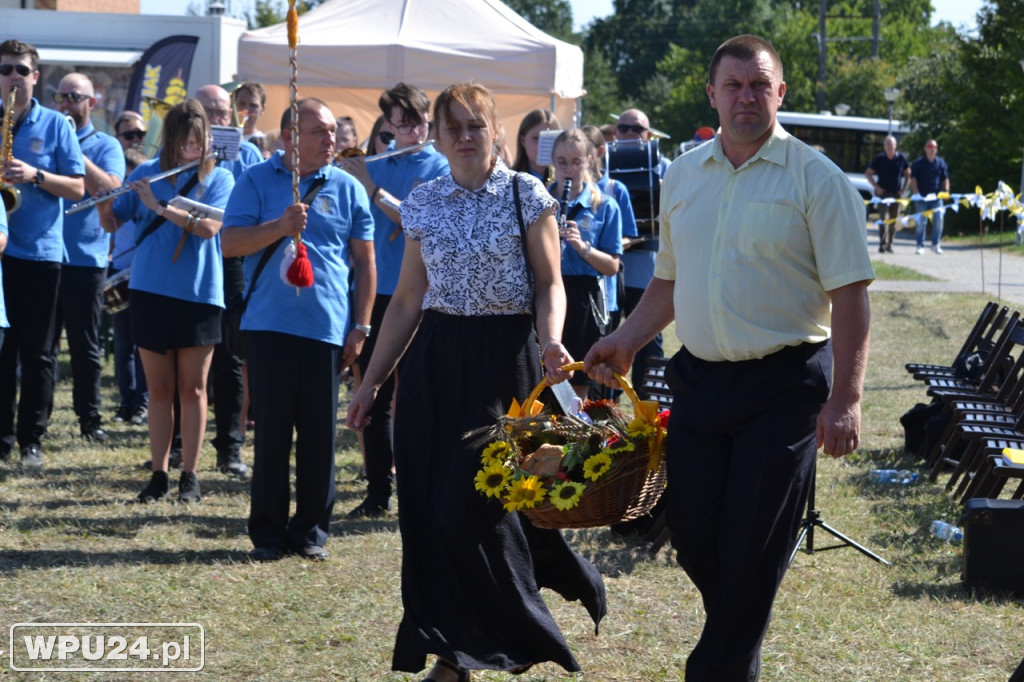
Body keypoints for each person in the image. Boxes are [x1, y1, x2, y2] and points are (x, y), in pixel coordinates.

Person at [584, 35, 873, 681]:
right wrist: (627, 338)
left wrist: (846, 400)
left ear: (781, 92)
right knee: (692, 536)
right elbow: (668, 281)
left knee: (752, 545)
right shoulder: (683, 173)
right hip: (701, 383)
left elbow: (851, 296)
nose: (746, 97)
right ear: (712, 94)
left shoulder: (817, 178)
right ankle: (738, 647)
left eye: (759, 85)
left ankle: (717, 669)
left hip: (785, 386)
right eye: (733, 85)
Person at [347, 80, 605, 682]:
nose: (464, 136)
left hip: (505, 361)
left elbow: (549, 281)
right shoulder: (425, 200)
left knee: (475, 508)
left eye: (475, 125)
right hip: (435, 363)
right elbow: (409, 300)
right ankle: (453, 652)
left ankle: (498, 635)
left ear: (494, 131)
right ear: (436, 135)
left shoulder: (526, 193)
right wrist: (372, 383)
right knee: (430, 512)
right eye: (452, 126)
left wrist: (550, 339)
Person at [222, 97, 376, 562]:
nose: (332, 139)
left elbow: (366, 264)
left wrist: (362, 325)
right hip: (268, 324)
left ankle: (311, 531)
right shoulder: (255, 180)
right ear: (290, 137)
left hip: (326, 328)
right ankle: (267, 533)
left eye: (333, 131)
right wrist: (278, 226)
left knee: (318, 435)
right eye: (320, 132)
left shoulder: (348, 187)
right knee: (271, 433)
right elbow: (229, 242)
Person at [98, 98, 235, 503]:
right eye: (185, 142)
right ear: (171, 141)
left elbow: (210, 228)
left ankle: (189, 475)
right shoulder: (146, 173)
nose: (193, 149)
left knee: (192, 389)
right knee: (158, 388)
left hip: (199, 292)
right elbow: (113, 218)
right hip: (150, 290)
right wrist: (106, 201)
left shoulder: (219, 178)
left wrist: (159, 207)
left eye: (200, 140)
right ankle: (158, 473)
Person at [337, 82, 449, 518]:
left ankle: (419, 484)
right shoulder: (376, 163)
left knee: (418, 391)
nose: (411, 132)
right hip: (376, 291)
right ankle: (377, 488)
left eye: (418, 122)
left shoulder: (439, 165)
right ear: (387, 124)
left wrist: (372, 189)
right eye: (400, 124)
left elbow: (419, 221)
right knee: (374, 392)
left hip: (419, 293)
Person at [0, 39, 86, 470]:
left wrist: (35, 174)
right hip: (0, 254)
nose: (13, 76)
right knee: (1, 351)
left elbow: (77, 187)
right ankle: (1, 437)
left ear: (36, 77)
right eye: (5, 69)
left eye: (21, 69)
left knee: (38, 352)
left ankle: (31, 440)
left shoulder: (56, 124)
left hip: (39, 253)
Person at [195, 83, 265, 479]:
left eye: (223, 112)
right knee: (185, 352)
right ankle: (177, 445)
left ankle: (230, 447)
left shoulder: (248, 152)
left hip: (232, 260)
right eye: (209, 111)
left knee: (231, 358)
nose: (218, 119)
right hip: (190, 258)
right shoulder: (181, 148)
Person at [52, 72, 126, 442]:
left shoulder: (106, 144)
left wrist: (73, 152)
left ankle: (89, 421)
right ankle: (35, 421)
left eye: (73, 96)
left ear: (91, 104)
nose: (65, 103)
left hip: (85, 260)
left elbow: (113, 189)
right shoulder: (44, 137)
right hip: (44, 257)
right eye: (60, 97)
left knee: (85, 347)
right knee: (40, 347)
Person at [550, 128, 622, 400]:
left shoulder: (605, 206)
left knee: (578, 384)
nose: (569, 169)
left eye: (576, 162)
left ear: (589, 161)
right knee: (547, 379)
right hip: (546, 292)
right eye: (562, 162)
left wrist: (583, 248)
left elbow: (612, 266)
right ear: (553, 163)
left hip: (584, 299)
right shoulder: (540, 202)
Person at [612, 107, 666, 390]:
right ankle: (603, 407)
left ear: (649, 134)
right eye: (624, 128)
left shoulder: (664, 166)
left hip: (647, 273)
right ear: (615, 132)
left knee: (649, 345)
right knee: (607, 339)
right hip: (609, 272)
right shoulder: (603, 163)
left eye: (638, 129)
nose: (631, 134)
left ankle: (650, 411)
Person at [109, 147, 149, 426]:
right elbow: (111, 233)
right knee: (123, 343)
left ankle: (143, 403)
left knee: (144, 345)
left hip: (147, 274)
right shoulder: (121, 201)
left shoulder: (151, 198)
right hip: (121, 274)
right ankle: (127, 401)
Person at [865, 135, 909, 253]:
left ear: (895, 145)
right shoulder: (879, 159)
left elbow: (908, 173)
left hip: (896, 194)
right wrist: (876, 187)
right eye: (887, 144)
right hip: (882, 194)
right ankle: (882, 244)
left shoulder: (900, 159)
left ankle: (890, 244)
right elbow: (868, 173)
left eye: (891, 143)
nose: (889, 146)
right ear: (884, 146)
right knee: (883, 220)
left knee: (893, 221)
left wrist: (904, 189)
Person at [910, 138, 950, 254]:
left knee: (939, 220)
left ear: (937, 150)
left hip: (937, 198)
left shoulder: (941, 163)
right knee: (921, 222)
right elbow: (913, 178)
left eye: (934, 147)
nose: (932, 149)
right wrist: (916, 192)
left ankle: (935, 244)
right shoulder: (918, 163)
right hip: (922, 198)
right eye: (930, 147)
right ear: (925, 149)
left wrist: (946, 190)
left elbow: (945, 178)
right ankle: (919, 245)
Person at [511, 108, 559, 183]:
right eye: (536, 138)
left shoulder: (563, 179)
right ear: (523, 141)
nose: (542, 145)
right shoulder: (511, 180)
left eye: (548, 138)